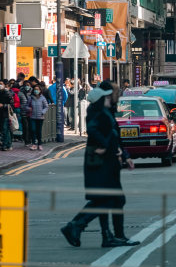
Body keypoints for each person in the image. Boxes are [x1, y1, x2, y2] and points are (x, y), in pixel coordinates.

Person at [61, 80, 140, 249]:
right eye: (114, 92)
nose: (117, 95)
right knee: (108, 199)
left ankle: (107, 235)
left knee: (107, 199)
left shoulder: (107, 110)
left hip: (108, 161)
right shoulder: (97, 110)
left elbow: (115, 136)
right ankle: (77, 226)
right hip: (100, 162)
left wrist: (125, 156)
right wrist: (104, 146)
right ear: (107, 94)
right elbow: (94, 130)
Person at [29, 83, 49, 150]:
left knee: (38, 131)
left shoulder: (43, 98)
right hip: (32, 117)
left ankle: (39, 144)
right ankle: (34, 144)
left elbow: (46, 106)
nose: (36, 91)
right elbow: (26, 106)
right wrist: (29, 109)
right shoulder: (30, 98)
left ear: (40, 90)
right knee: (33, 130)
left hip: (40, 117)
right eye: (35, 89)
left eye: (37, 89)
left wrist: (42, 112)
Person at [0, 81, 14, 150]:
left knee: (5, 129)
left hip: (5, 114)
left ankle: (5, 145)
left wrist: (3, 105)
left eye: (1, 84)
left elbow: (11, 104)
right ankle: (7, 144)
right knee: (3, 130)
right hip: (1, 114)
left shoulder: (7, 92)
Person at [19, 81, 33, 146]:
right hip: (23, 112)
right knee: (25, 127)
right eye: (26, 85)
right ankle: (26, 141)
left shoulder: (32, 92)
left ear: (30, 85)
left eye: (28, 85)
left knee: (31, 126)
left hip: (31, 113)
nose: (27, 86)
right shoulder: (20, 93)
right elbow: (18, 101)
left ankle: (30, 139)